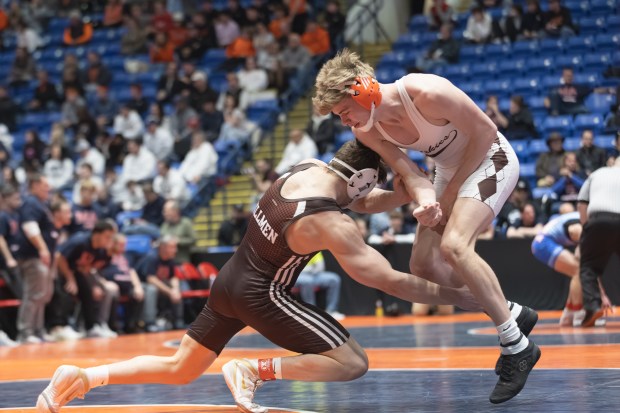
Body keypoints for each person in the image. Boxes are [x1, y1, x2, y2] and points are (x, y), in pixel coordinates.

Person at [36, 140, 479, 413]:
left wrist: (402, 194)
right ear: (362, 179)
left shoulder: (305, 169)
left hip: (230, 279)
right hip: (262, 292)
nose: (367, 196)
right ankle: (252, 369)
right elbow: (389, 281)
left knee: (180, 369)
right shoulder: (331, 222)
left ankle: (82, 376)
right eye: (370, 185)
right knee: (352, 363)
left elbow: (358, 200)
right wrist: (460, 295)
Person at [313, 49, 540, 404]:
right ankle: (509, 311)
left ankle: (515, 344)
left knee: (454, 246)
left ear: (364, 90)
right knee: (422, 265)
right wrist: (426, 203)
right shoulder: (368, 130)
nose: (344, 122)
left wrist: (446, 196)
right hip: (447, 171)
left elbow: (486, 131)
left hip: (490, 157)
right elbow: (411, 173)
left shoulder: (426, 92)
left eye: (344, 111)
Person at [531, 207, 609, 326]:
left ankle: (568, 314)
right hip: (543, 243)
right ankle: (578, 313)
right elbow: (586, 264)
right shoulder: (580, 228)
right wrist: (602, 295)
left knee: (579, 270)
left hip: (542, 242)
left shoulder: (584, 221)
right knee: (578, 271)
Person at [577, 157, 620, 327]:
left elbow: (582, 203)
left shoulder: (597, 173)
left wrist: (586, 228)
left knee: (589, 266)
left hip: (599, 219)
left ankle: (593, 307)